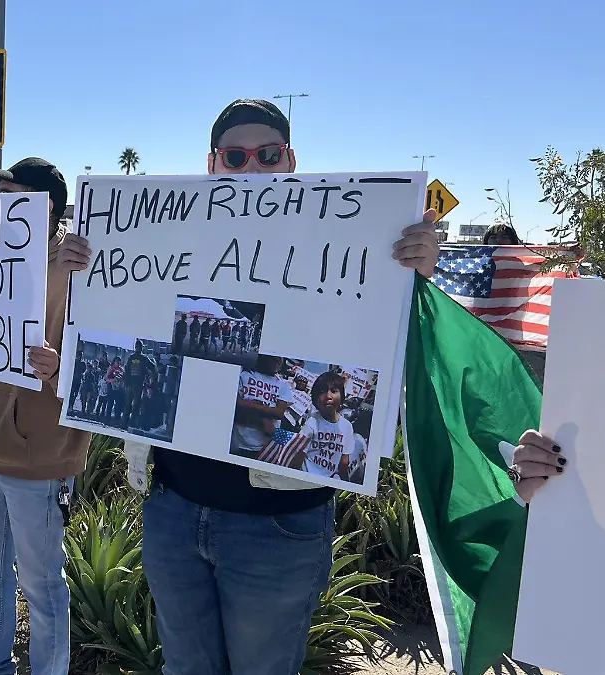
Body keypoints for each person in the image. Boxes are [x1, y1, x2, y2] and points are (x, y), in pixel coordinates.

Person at [56, 97, 446, 674]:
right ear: (213, 164)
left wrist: (417, 277)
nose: (251, 168)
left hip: (278, 526)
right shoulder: (166, 235)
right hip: (174, 508)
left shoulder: (344, 241)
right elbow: (106, 335)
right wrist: (68, 271)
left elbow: (398, 363)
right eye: (236, 157)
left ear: (289, 160)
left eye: (267, 154)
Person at [0, 157, 91, 675]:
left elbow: (111, 362)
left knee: (41, 582)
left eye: (8, 193)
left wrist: (58, 370)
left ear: (43, 205)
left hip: (38, 457)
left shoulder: (78, 265)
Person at [294, 371, 358, 478]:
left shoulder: (347, 426)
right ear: (315, 398)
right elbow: (298, 455)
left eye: (334, 391)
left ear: (342, 397)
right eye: (323, 391)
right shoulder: (312, 422)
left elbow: (344, 461)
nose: (328, 396)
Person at [230, 355, 294, 458]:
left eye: (280, 357)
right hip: (238, 443)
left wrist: (251, 405)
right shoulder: (244, 375)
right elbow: (236, 405)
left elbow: (278, 413)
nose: (278, 359)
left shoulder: (284, 385)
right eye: (274, 356)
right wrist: (264, 419)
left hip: (266, 448)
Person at [123, 340, 157, 429]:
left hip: (131, 384)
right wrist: (147, 372)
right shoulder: (144, 358)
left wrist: (126, 383)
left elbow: (126, 371)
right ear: (142, 347)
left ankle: (124, 424)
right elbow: (153, 367)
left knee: (128, 405)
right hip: (138, 385)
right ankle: (131, 424)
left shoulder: (131, 357)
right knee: (136, 405)